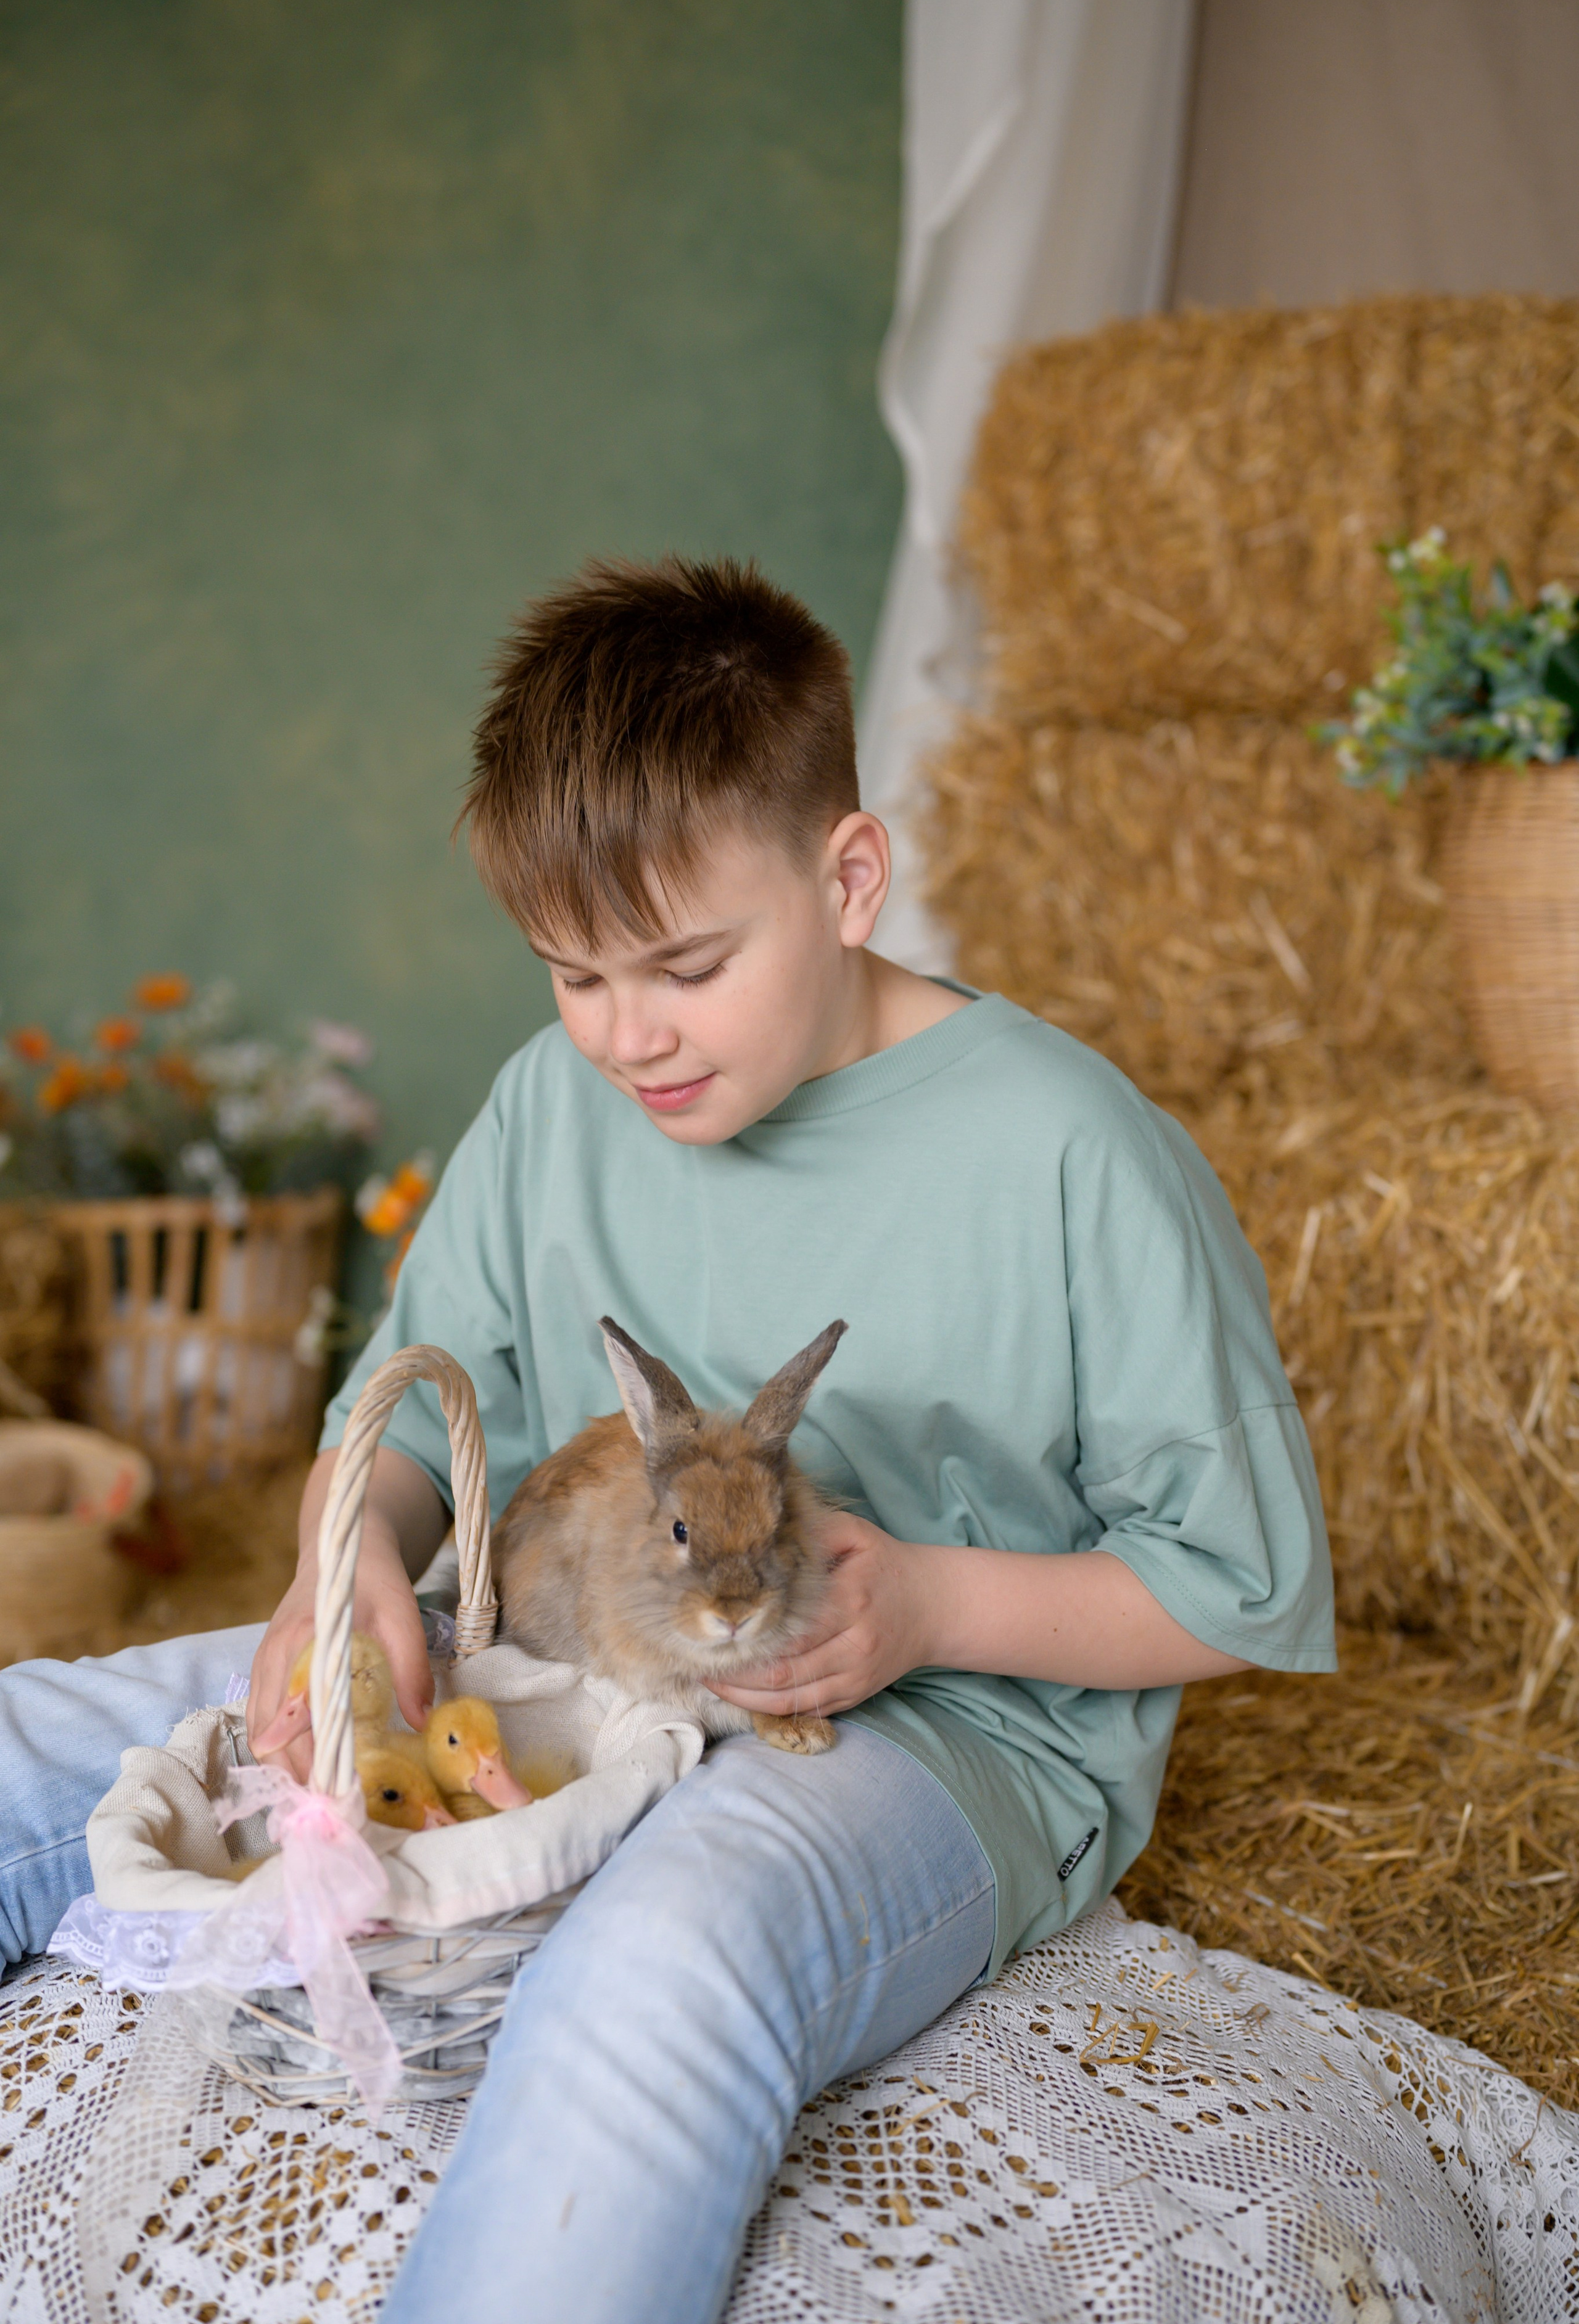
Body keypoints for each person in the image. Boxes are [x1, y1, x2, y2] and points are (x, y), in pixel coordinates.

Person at [0, 557, 1335, 2324]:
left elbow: (1238, 1588)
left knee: (663, 1961)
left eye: (686, 967)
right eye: (571, 974)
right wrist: (347, 1577)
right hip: (556, 1652)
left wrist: (923, 1610)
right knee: (35, 1738)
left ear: (849, 878)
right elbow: (395, 1403)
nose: (627, 1035)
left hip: (916, 1737)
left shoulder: (1072, 1153)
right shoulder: (560, 1102)